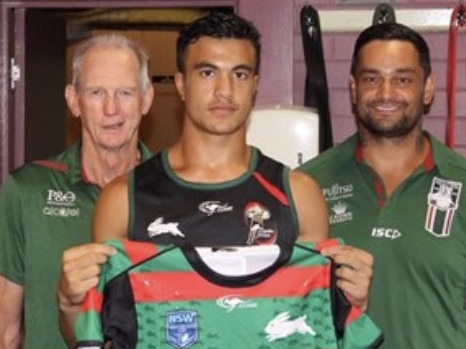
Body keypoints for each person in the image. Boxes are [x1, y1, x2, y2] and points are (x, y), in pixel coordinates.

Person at [57, 11, 375, 348]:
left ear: (255, 85)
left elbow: (316, 325)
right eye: (207, 72)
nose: (224, 90)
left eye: (239, 74)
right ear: (181, 83)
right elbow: (100, 334)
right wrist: (68, 302)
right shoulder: (124, 199)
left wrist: (355, 300)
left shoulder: (299, 195)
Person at [299, 22, 466, 349]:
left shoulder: (462, 180)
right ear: (353, 87)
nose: (386, 93)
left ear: (428, 88)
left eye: (402, 79)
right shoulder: (307, 185)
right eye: (371, 79)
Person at [0, 34, 154, 349]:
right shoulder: (26, 190)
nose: (111, 109)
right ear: (74, 100)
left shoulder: (179, 192)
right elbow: (5, 330)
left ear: (146, 99)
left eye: (125, 92)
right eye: (96, 92)